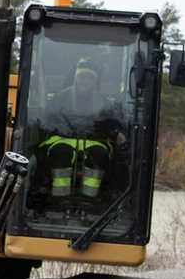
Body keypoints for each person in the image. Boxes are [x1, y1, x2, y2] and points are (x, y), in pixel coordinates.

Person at [39, 58, 123, 199]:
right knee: (61, 152)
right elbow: (48, 118)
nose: (85, 80)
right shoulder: (60, 97)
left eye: (90, 77)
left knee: (99, 154)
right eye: (82, 76)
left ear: (95, 81)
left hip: (94, 141)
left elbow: (111, 122)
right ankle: (60, 196)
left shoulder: (104, 102)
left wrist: (117, 132)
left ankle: (89, 197)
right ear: (76, 78)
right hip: (62, 138)